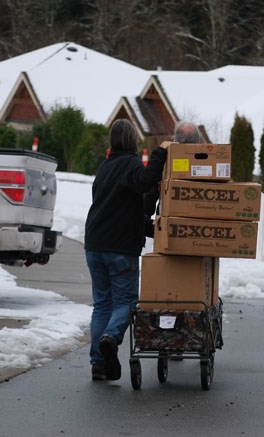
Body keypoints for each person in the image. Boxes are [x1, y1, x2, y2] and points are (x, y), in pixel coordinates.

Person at [84, 119, 169, 381]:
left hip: (94, 244)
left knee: (102, 305)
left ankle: (98, 363)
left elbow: (121, 209)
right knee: (125, 302)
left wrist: (152, 229)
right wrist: (161, 153)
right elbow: (145, 181)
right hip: (120, 248)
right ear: (133, 140)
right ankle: (111, 338)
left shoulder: (105, 167)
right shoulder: (130, 165)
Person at [144, 121, 202, 237]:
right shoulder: (208, 164)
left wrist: (150, 224)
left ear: (175, 140)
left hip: (169, 233)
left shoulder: (164, 163)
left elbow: (149, 197)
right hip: (199, 234)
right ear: (198, 141)